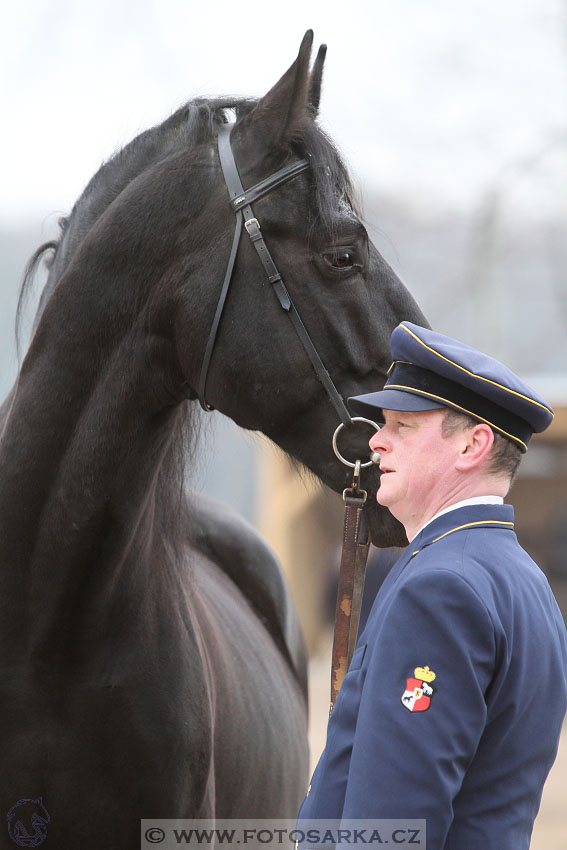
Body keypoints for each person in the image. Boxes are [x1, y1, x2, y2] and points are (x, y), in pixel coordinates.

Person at [297, 321, 567, 850]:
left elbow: (393, 827)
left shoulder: (441, 588)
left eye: (402, 425)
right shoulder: (521, 578)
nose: (375, 440)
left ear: (473, 444)